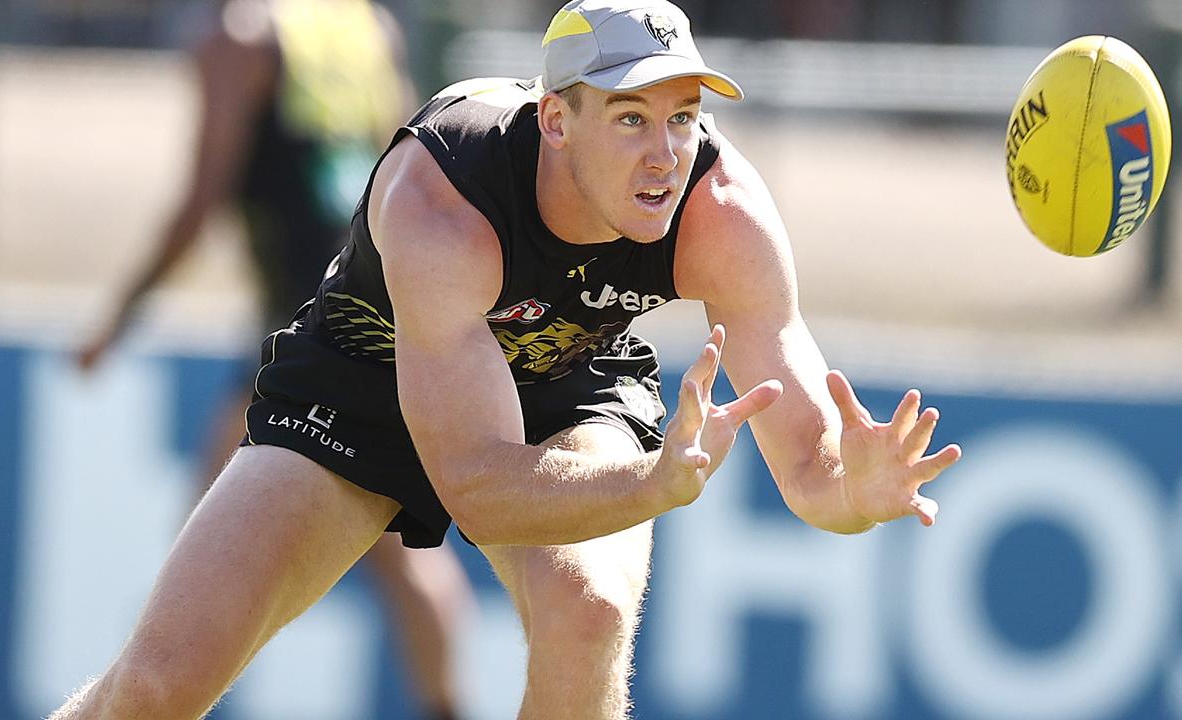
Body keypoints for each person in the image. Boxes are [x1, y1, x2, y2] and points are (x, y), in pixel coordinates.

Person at [53, 0, 963, 718]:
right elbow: (478, 489)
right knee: (155, 690)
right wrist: (652, 486)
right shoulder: (445, 196)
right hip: (362, 381)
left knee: (590, 614)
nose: (665, 155)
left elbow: (810, 469)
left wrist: (851, 494)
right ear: (556, 120)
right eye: (631, 118)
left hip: (571, 381)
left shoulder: (721, 212)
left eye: (683, 117)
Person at [73, 1, 471, 718]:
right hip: (384, 313)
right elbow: (416, 173)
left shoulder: (239, 37)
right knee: (399, 540)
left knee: (202, 546)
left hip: (300, 330)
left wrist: (118, 318)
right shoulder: (365, 29)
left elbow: (200, 199)